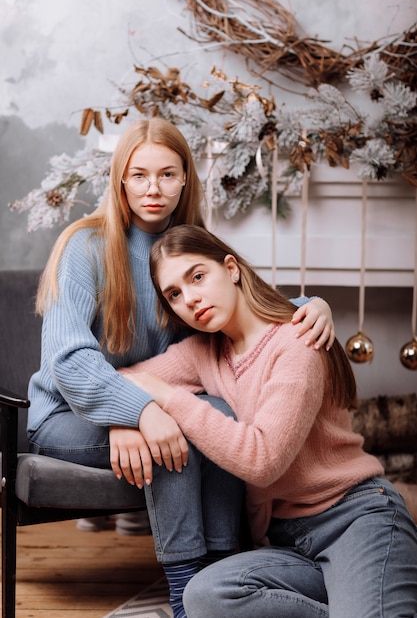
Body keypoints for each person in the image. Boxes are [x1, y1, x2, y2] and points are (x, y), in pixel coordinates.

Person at [27, 117, 335, 618]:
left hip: (146, 396)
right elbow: (71, 364)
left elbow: (248, 302)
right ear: (120, 180)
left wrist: (312, 304)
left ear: (186, 178)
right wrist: (136, 414)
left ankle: (221, 571)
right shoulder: (85, 246)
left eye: (168, 174)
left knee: (217, 413)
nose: (154, 188)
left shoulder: (188, 245)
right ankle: (184, 590)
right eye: (140, 175)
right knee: (184, 427)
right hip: (68, 414)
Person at [116, 224, 417, 618]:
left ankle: (376, 586)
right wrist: (127, 416)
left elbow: (263, 460)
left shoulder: (297, 340)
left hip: (356, 519)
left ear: (232, 268)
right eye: (174, 294)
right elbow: (122, 378)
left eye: (198, 277)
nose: (190, 298)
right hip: (287, 542)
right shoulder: (203, 353)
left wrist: (169, 398)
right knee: (205, 595)